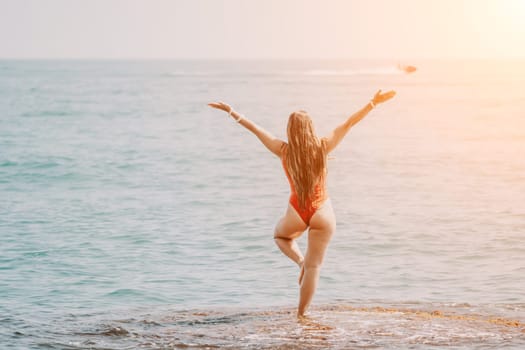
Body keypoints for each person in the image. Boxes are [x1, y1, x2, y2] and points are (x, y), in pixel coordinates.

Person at [208, 89, 396, 317]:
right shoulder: (323, 146)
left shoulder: (283, 150)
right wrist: (372, 103)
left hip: (297, 211)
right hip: (322, 211)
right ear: (311, 128)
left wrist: (231, 111)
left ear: (290, 129)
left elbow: (256, 129)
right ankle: (302, 314)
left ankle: (299, 261)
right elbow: (349, 124)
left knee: (280, 236)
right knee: (314, 266)